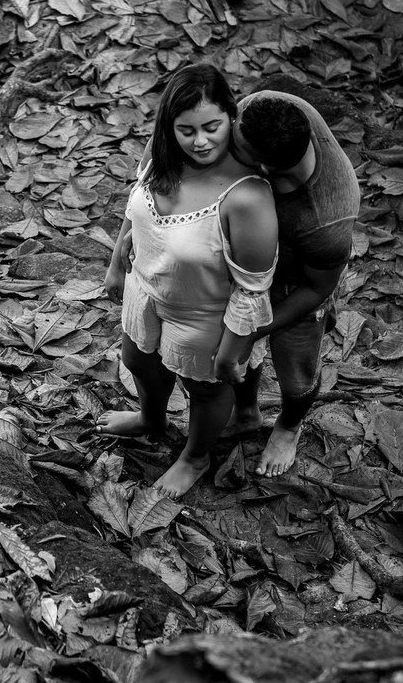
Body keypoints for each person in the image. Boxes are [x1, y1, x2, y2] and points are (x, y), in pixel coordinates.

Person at [111, 87, 361, 480]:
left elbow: (317, 288)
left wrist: (247, 330)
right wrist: (139, 231)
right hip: (226, 253)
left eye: (234, 153)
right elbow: (159, 156)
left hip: (295, 280)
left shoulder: (324, 221)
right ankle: (246, 413)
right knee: (234, 364)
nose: (216, 149)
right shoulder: (266, 110)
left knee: (295, 369)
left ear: (261, 172)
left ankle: (288, 427)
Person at [99, 64, 278, 499]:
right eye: (186, 130)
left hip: (204, 312)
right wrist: (116, 263)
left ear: (231, 117)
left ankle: (196, 455)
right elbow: (134, 206)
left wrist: (233, 350)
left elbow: (252, 287)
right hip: (147, 287)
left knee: (205, 388)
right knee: (138, 359)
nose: (200, 141)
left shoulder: (248, 195)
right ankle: (152, 419)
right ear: (169, 127)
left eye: (212, 127)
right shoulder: (162, 154)